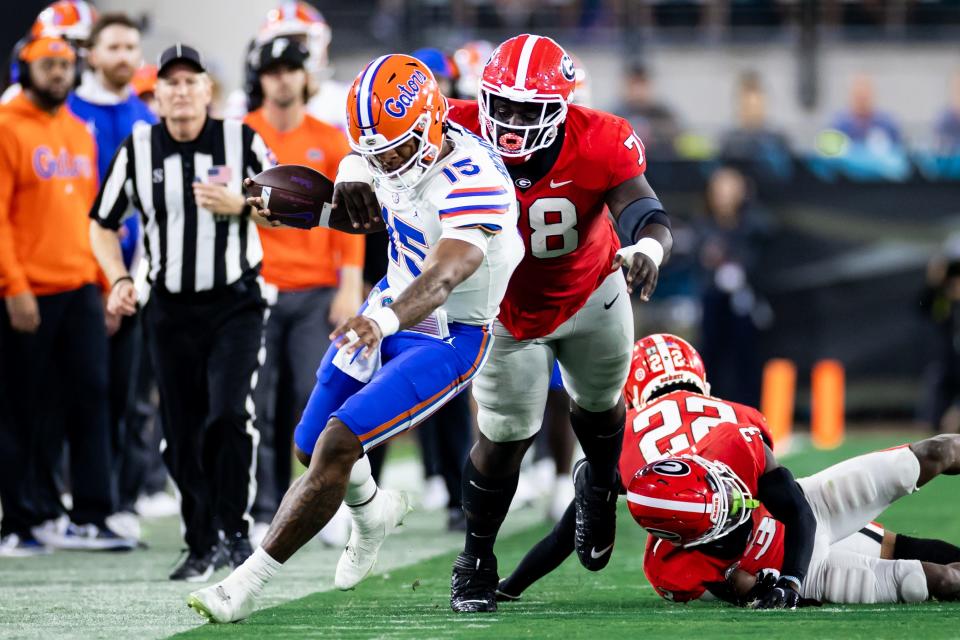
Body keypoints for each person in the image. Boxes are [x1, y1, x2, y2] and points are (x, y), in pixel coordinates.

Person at [186, 53, 523, 624]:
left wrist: (384, 320)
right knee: (307, 443)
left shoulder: (475, 180)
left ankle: (244, 584)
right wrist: (330, 188)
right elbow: (372, 204)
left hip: (446, 334)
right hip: (385, 306)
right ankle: (372, 514)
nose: (387, 161)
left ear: (433, 122)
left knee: (339, 443)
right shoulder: (393, 148)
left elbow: (443, 278)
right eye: (376, 150)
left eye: (395, 148)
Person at [442, 34, 672, 612]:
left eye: (530, 108)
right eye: (504, 104)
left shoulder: (600, 138)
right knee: (503, 436)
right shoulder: (450, 127)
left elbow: (646, 210)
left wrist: (648, 248)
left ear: (562, 108)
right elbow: (375, 151)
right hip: (500, 307)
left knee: (599, 405)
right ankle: (476, 558)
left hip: (591, 292)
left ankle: (597, 483)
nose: (514, 119)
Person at [496, 334, 960, 607]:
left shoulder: (623, 448)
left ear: (631, 391)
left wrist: (509, 587)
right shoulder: (735, 417)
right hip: (802, 514)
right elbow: (793, 504)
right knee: (933, 457)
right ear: (698, 376)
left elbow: (566, 533)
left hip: (771, 557)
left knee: (929, 577)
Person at [88, 43, 274, 581]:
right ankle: (200, 540)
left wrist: (243, 204)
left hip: (236, 301)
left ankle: (235, 531)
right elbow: (101, 221)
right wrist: (119, 278)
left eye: (191, 80)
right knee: (181, 429)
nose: (181, 90)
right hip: (168, 306)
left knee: (228, 415)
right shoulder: (139, 148)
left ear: (207, 89)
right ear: (157, 94)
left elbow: (282, 211)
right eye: (170, 82)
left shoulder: (243, 140)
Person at [0, 35, 131, 555]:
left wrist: (105, 284)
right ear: (24, 69)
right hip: (28, 289)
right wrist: (14, 287)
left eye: (65, 65)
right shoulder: (7, 128)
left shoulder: (79, 133)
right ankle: (20, 521)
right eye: (47, 64)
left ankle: (92, 515)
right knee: (22, 408)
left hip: (80, 286)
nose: (58, 72)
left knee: (93, 398)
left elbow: (96, 219)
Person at [243, 37, 362, 545]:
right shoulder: (242, 133)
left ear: (305, 75)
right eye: (274, 70)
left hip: (316, 289)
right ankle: (262, 507)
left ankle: (317, 503)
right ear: (261, 77)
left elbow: (351, 223)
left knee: (310, 401)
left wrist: (349, 285)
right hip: (258, 286)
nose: (283, 78)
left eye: (292, 68)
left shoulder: (330, 139)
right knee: (260, 405)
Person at [66, 11, 159, 537]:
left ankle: (121, 500)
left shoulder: (145, 120)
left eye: (131, 47)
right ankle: (67, 499)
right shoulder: (70, 113)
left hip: (132, 281)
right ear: (92, 54)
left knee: (128, 395)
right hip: (77, 280)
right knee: (78, 394)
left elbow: (149, 215)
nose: (125, 56)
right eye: (115, 47)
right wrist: (98, 280)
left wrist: (132, 281)